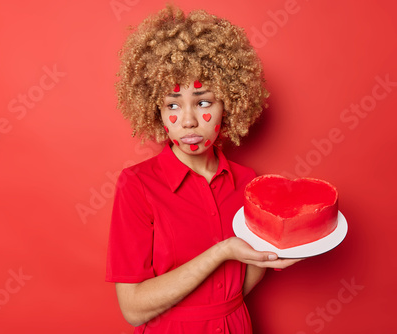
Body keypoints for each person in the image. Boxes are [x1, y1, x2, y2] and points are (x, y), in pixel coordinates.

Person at [106, 5, 301, 333]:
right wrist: (222, 252)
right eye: (172, 105)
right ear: (157, 111)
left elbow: (240, 286)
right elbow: (133, 309)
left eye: (203, 102)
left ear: (229, 103)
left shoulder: (248, 182)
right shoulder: (136, 185)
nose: (188, 120)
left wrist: (272, 255)